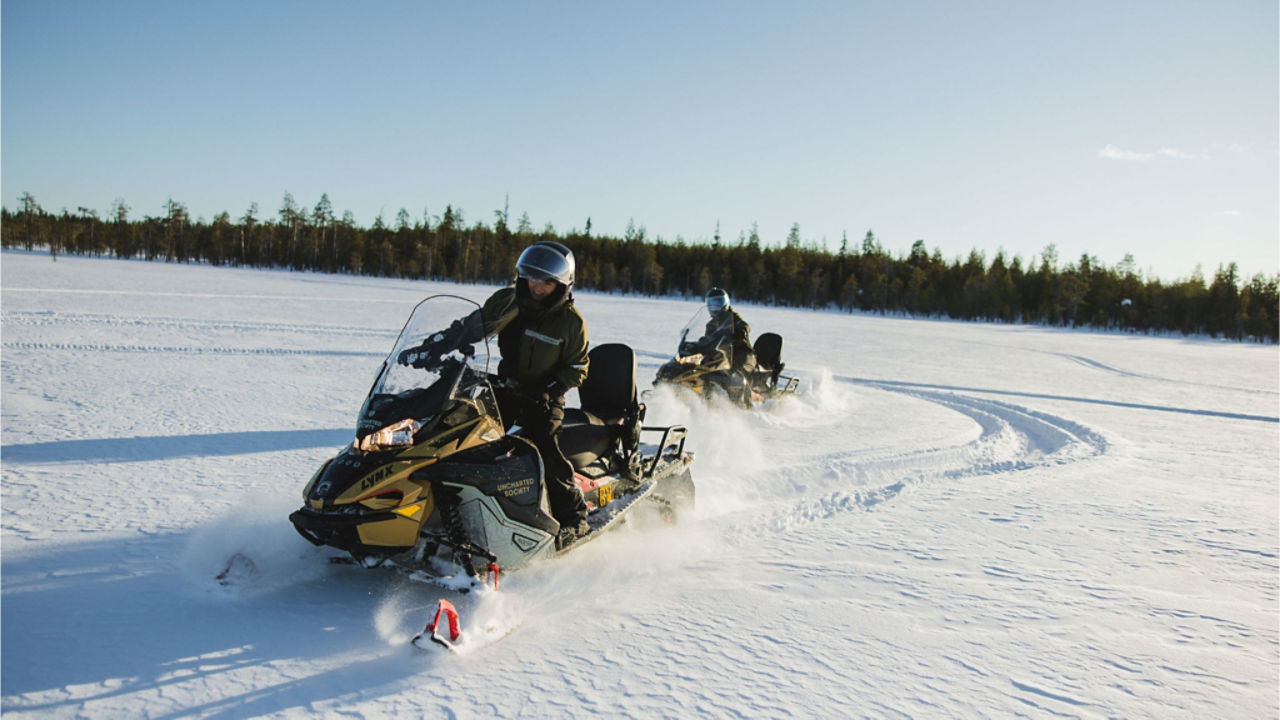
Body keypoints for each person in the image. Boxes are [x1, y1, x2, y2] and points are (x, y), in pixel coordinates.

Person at [401, 241, 591, 547]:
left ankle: (574, 517)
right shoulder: (508, 301)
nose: (535, 287)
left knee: (543, 445)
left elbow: (578, 367)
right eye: (530, 278)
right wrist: (435, 345)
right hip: (505, 386)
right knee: (454, 425)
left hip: (544, 397)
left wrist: (549, 389)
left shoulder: (571, 323)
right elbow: (472, 327)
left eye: (545, 282)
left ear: (561, 285)